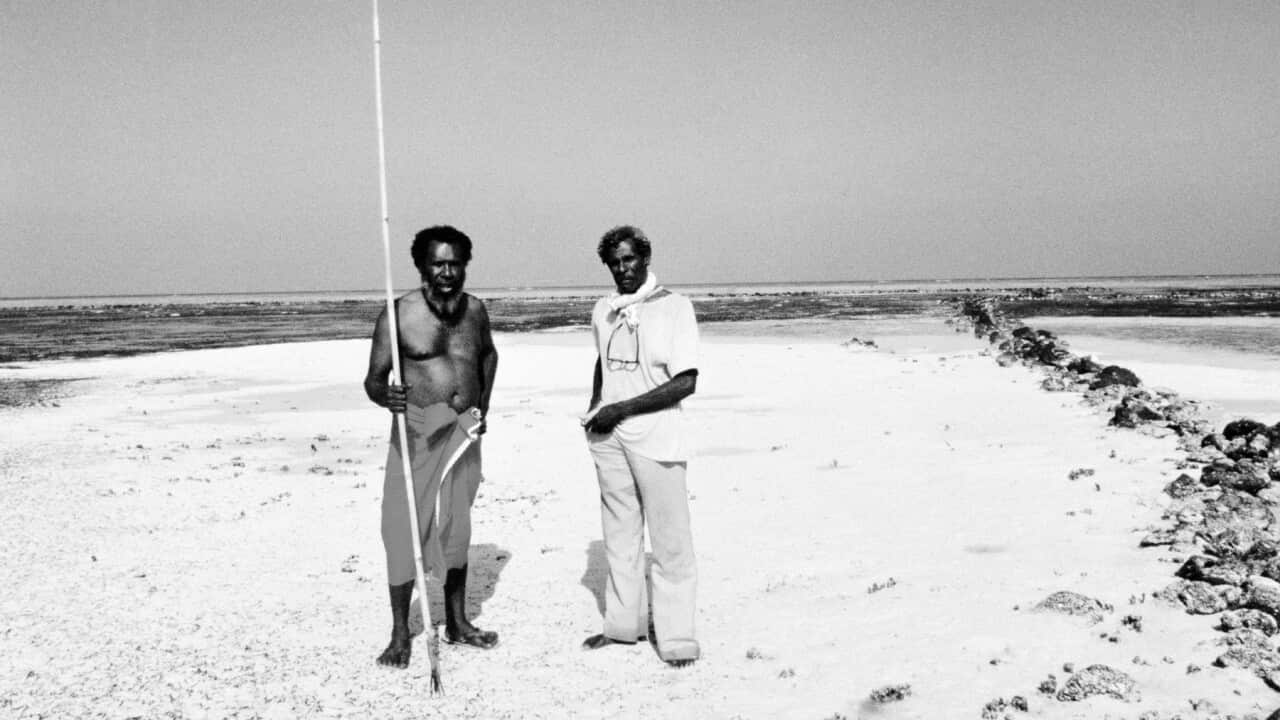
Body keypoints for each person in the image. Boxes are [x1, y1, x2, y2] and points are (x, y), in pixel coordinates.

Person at [364, 225, 499, 668]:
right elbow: (374, 379)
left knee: (456, 528)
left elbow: (488, 357)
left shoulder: (475, 311)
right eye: (438, 263)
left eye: (455, 263)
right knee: (402, 531)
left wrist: (484, 407)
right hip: (418, 432)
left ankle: (458, 623)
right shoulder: (397, 314)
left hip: (465, 432)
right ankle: (400, 634)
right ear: (421, 265)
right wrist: (388, 397)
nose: (447, 272)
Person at [581, 225, 701, 667]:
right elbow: (602, 360)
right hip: (609, 437)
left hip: (657, 436)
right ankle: (622, 627)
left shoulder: (676, 307)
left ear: (646, 258)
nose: (622, 268)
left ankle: (676, 638)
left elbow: (685, 381)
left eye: (629, 259)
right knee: (620, 535)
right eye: (614, 261)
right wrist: (595, 407)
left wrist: (623, 408)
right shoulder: (603, 310)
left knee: (670, 542)